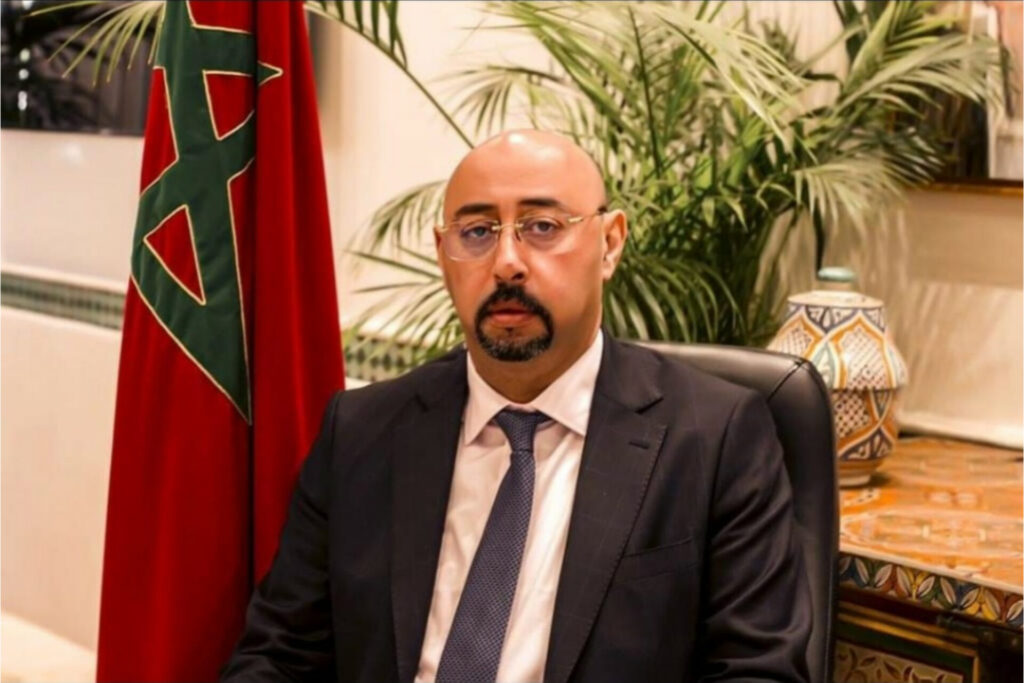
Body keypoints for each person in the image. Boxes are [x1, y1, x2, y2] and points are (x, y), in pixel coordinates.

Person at [221, 130, 811, 683]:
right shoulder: (361, 431)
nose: (506, 261)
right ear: (443, 254)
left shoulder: (714, 437)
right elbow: (278, 657)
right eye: (477, 232)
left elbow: (758, 670)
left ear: (610, 244)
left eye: (543, 227)